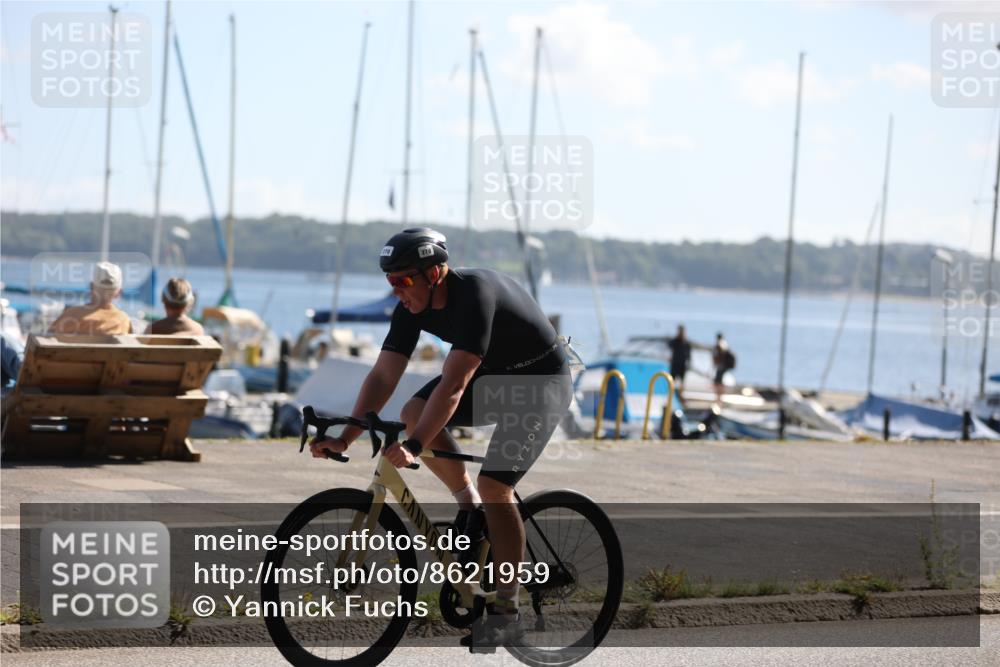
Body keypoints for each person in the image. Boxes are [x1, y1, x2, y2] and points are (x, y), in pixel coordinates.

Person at [309, 227, 572, 648]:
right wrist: (346, 437)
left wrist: (414, 447)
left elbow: (454, 384)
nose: (397, 291)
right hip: (495, 378)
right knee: (413, 412)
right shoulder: (410, 308)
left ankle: (508, 610)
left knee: (495, 486)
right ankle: (469, 509)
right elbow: (382, 377)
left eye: (403, 280)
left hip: (540, 384)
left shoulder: (475, 297)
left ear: (434, 274)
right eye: (390, 281)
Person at [48, 262, 133, 335]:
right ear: (119, 293)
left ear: (91, 287)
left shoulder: (71, 315)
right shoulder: (124, 320)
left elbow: (47, 341)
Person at [667, 324, 691, 397]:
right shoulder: (675, 341)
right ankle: (671, 396)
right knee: (672, 381)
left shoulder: (686, 342)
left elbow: (688, 355)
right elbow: (669, 345)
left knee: (681, 382)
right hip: (675, 364)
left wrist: (688, 364)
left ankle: (680, 396)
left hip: (682, 365)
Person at [711, 332, 733, 401]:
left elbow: (720, 354)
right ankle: (719, 397)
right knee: (718, 382)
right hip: (722, 366)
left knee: (718, 382)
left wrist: (717, 360)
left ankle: (719, 398)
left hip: (721, 366)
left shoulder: (720, 344)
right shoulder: (724, 343)